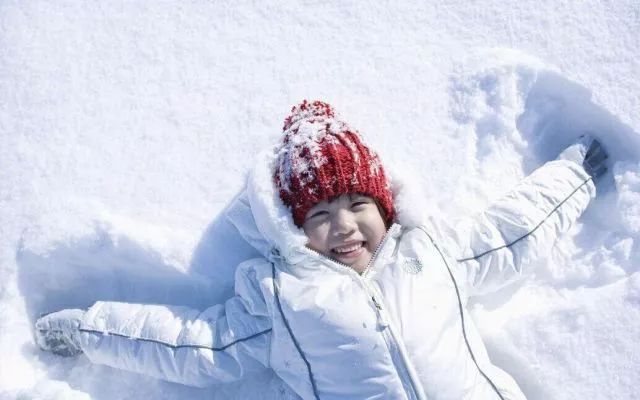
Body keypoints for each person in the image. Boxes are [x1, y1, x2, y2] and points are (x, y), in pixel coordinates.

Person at [35, 100, 608, 399]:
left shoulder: (434, 253)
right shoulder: (282, 298)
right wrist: (89, 330)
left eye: (358, 204)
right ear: (293, 227)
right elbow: (194, 344)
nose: (344, 227)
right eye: (319, 214)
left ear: (385, 206)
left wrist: (575, 175)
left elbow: (512, 230)